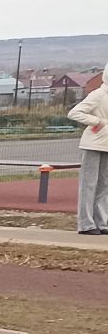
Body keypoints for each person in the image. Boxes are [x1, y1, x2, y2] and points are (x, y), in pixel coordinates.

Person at [69, 65, 108, 235]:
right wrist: (98, 122)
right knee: (89, 185)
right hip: (92, 144)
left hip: (106, 145)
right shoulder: (98, 95)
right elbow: (75, 113)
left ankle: (102, 221)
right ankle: (86, 223)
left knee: (104, 185)